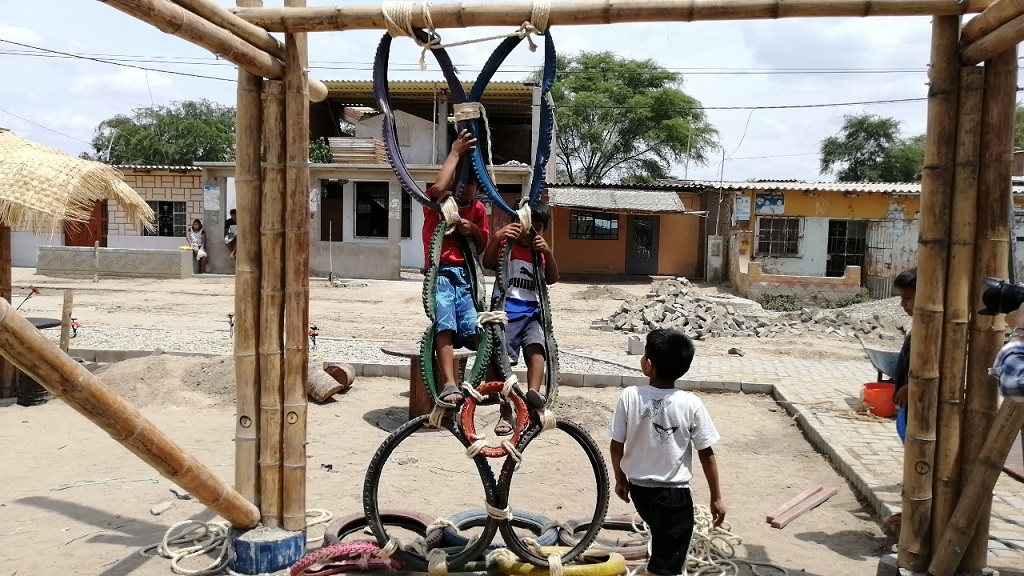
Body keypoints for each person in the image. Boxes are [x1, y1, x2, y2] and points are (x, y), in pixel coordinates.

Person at [608, 329, 726, 576]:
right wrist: (716, 497)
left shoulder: (630, 396)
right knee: (667, 565)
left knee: (663, 549)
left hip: (639, 490)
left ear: (647, 365)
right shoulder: (691, 403)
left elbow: (616, 444)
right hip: (673, 495)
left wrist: (620, 478)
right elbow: (707, 453)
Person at [422, 129, 490, 407]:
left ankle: (477, 383)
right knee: (444, 323)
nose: (464, 187)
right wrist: (455, 152)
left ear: (478, 187)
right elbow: (438, 187)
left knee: (474, 326)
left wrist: (471, 228)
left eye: (471, 183)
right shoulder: (436, 204)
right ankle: (449, 382)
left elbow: (482, 243)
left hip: (466, 277)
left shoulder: (478, 210)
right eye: (459, 181)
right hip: (441, 274)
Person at [482, 202, 560, 435]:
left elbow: (552, 278)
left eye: (537, 227)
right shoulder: (507, 247)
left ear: (543, 229)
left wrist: (547, 252)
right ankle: (506, 412)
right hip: (505, 313)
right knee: (503, 365)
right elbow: (487, 263)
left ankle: (533, 398)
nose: (531, 232)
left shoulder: (539, 252)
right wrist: (497, 237)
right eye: (527, 226)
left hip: (531, 312)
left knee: (537, 351)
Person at [891, 267, 916, 444]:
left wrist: (912, 387)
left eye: (907, 298)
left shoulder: (933, 333)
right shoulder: (917, 330)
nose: (902, 304)